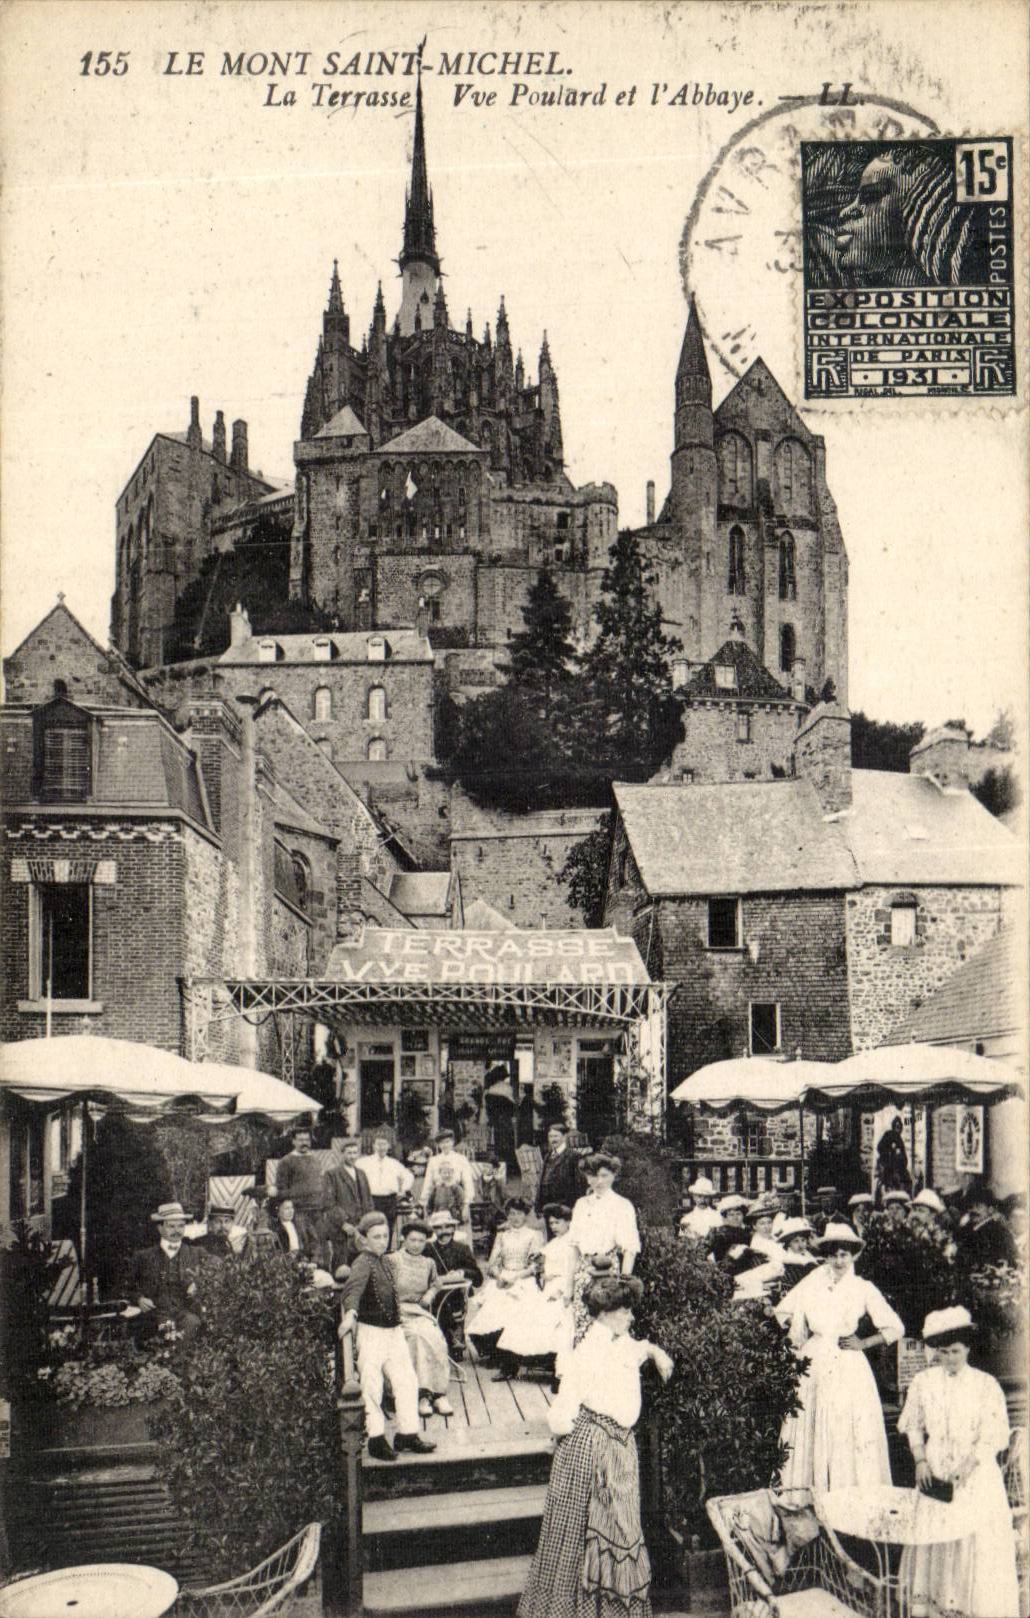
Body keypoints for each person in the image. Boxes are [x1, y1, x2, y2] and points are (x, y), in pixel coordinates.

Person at [517, 1275, 674, 1618]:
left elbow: (634, 1349)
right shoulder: (590, 1349)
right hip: (594, 1447)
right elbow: (564, 1407)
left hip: (617, 1444)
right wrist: (557, 1435)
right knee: (592, 1533)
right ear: (605, 1313)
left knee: (619, 1528)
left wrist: (654, 1350)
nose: (631, 1317)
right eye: (625, 1311)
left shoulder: (617, 1340)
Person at [899, 1306, 1019, 1618]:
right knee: (935, 1536)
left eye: (955, 1351)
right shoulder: (923, 1382)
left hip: (975, 1473)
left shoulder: (985, 1385)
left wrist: (967, 1466)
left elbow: (994, 1434)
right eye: (942, 1352)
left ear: (967, 1348)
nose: (949, 1358)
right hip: (935, 1468)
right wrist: (921, 1460)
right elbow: (913, 1424)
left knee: (971, 1541)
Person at [774, 1221, 904, 1492]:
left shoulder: (862, 1287)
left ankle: (848, 1495)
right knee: (813, 1423)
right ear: (827, 1255)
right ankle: (811, 1497)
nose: (838, 1260)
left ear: (853, 1255)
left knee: (845, 1426)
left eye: (844, 1254)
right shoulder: (813, 1282)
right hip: (815, 1360)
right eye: (833, 1254)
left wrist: (864, 1342)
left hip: (847, 1362)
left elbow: (895, 1327)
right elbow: (784, 1311)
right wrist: (801, 1333)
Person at [338, 1212, 437, 1462]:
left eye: (385, 1236)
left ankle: (407, 1432)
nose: (382, 1241)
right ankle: (375, 1438)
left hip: (393, 1332)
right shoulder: (363, 1262)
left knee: (406, 1380)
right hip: (372, 1333)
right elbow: (352, 1291)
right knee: (372, 1386)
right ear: (364, 1239)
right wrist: (350, 1314)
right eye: (376, 1237)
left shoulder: (386, 1261)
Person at [566, 1154, 641, 1344]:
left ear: (613, 1175)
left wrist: (623, 1286)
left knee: (607, 1327)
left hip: (609, 1274)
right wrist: (568, 1287)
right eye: (592, 1176)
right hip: (583, 1272)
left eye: (604, 1175)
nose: (598, 1181)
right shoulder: (582, 1204)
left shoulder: (622, 1206)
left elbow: (629, 1249)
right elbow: (574, 1249)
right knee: (581, 1325)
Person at [388, 1219, 455, 1419]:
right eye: (413, 1240)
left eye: (421, 1241)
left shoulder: (428, 1263)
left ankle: (438, 1394)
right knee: (416, 1338)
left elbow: (436, 1284)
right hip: (398, 1312)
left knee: (435, 1336)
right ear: (404, 1240)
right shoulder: (393, 1260)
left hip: (419, 1311)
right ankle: (421, 1395)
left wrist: (430, 1294)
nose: (417, 1244)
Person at [498, 1203, 575, 1376]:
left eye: (558, 1222)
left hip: (562, 1289)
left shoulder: (571, 1243)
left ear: (568, 1222)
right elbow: (542, 1265)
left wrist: (561, 1291)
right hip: (548, 1287)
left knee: (550, 1321)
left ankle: (554, 1366)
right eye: (552, 1223)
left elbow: (572, 1271)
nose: (554, 1226)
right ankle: (510, 1365)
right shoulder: (555, 1242)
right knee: (521, 1318)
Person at [467, 1197, 544, 1369]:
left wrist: (515, 1277)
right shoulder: (502, 1236)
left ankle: (511, 1354)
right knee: (491, 1310)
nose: (515, 1217)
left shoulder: (534, 1235)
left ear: (525, 1215)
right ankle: (495, 1353)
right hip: (502, 1277)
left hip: (523, 1278)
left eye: (519, 1214)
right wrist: (499, 1275)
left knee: (514, 1309)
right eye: (511, 1214)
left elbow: (535, 1266)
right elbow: (492, 1263)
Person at [127, 1201, 203, 1341]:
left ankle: (180, 1360)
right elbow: (126, 1286)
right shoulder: (143, 1256)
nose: (177, 1231)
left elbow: (216, 1273)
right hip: (154, 1314)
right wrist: (139, 1298)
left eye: (181, 1226)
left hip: (184, 1312)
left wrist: (198, 1284)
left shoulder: (196, 1253)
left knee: (193, 1323)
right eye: (171, 1226)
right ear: (160, 1228)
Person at [425, 1209, 482, 1355]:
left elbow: (478, 1278)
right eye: (439, 1228)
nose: (444, 1231)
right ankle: (448, 1338)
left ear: (453, 1228)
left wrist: (461, 1272)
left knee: (452, 1300)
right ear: (434, 1230)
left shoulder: (462, 1249)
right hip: (434, 1292)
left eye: (447, 1227)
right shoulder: (428, 1249)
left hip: (456, 1293)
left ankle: (454, 1337)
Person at [274, 1126, 326, 1254]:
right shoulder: (286, 1161)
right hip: (299, 1211)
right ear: (293, 1141)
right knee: (303, 1246)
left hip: (317, 1211)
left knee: (320, 1245)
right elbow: (281, 1189)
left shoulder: (315, 1159)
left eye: (307, 1140)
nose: (304, 1143)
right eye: (300, 1140)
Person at [324, 1138, 374, 1269]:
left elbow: (368, 1199)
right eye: (349, 1153)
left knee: (361, 1263)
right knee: (342, 1265)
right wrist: (343, 1223)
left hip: (361, 1226)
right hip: (342, 1230)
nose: (352, 1156)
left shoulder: (361, 1174)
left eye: (355, 1153)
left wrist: (369, 1222)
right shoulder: (332, 1175)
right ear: (342, 1154)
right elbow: (329, 1203)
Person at [357, 1129, 414, 1243]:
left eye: (384, 1144)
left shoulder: (394, 1163)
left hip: (389, 1200)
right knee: (372, 1227)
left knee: (388, 1228)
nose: (381, 1147)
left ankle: (385, 1254)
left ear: (388, 1146)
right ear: (373, 1146)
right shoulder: (363, 1163)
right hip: (371, 1200)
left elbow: (409, 1177)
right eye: (378, 1144)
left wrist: (402, 1190)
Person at [536, 1124, 586, 1215]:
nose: (553, 1139)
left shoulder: (573, 1156)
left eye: (556, 1136)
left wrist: (576, 1207)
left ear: (564, 1137)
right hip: (547, 1205)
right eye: (550, 1136)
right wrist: (538, 1205)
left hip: (564, 1206)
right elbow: (541, 1181)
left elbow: (580, 1184)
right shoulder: (547, 1156)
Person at [421, 1129, 478, 1209]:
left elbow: (468, 1182)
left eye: (447, 1142)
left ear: (453, 1142)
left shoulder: (461, 1159)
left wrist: (467, 1202)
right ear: (438, 1145)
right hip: (438, 1197)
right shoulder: (433, 1161)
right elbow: (428, 1183)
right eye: (442, 1143)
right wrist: (424, 1201)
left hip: (456, 1196)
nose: (445, 1145)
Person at [876, 1115, 912, 1195]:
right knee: (887, 1182)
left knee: (908, 1181)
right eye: (896, 1126)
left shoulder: (899, 1139)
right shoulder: (888, 1134)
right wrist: (889, 1152)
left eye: (899, 1127)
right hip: (889, 1166)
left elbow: (903, 1156)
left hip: (899, 1168)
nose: (897, 1128)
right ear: (893, 1126)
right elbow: (880, 1147)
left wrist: (902, 1161)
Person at [708, 1195, 749, 1266]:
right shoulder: (717, 1232)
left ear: (743, 1215)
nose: (735, 1218)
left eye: (738, 1214)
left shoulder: (748, 1232)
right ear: (725, 1217)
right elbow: (701, 1253)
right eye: (731, 1215)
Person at [680, 1177, 722, 1241]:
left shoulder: (717, 1217)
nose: (703, 1200)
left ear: (710, 1198)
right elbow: (683, 1242)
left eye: (706, 1197)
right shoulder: (686, 1219)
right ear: (694, 1197)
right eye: (699, 1196)